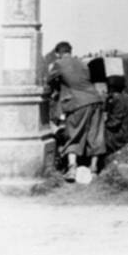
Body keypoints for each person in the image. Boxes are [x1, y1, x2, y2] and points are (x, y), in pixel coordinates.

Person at [46, 41, 106, 181]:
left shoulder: (59, 64)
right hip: (95, 99)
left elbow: (50, 81)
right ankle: (94, 170)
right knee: (95, 134)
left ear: (58, 53)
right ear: (70, 51)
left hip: (78, 103)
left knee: (74, 134)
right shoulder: (82, 63)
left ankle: (72, 169)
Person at [104, 75, 128, 154]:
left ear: (112, 87)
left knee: (95, 135)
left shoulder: (116, 98)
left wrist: (102, 126)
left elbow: (115, 122)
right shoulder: (124, 98)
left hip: (121, 136)